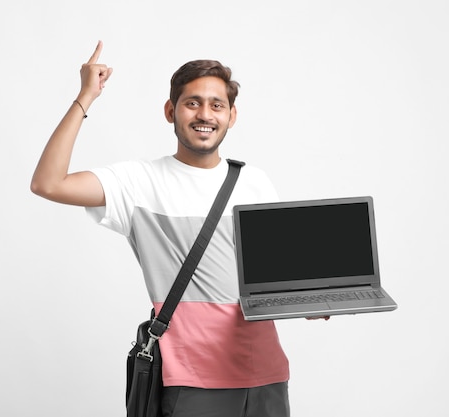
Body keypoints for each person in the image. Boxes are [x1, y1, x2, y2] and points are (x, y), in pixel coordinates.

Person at [30, 41, 290, 417]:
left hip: (266, 374)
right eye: (192, 103)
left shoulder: (256, 182)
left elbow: (274, 276)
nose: (205, 114)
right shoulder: (138, 181)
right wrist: (86, 97)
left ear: (232, 115)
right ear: (171, 111)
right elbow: (48, 183)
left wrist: (310, 300)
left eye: (217, 105)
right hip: (192, 378)